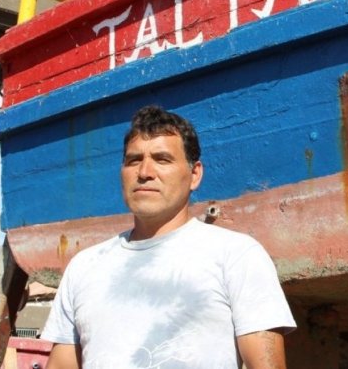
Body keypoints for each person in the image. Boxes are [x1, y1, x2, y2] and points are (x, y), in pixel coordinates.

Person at [42, 105, 296, 369]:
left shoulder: (236, 256)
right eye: (134, 160)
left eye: (162, 159)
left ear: (194, 174)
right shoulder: (84, 267)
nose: (144, 172)